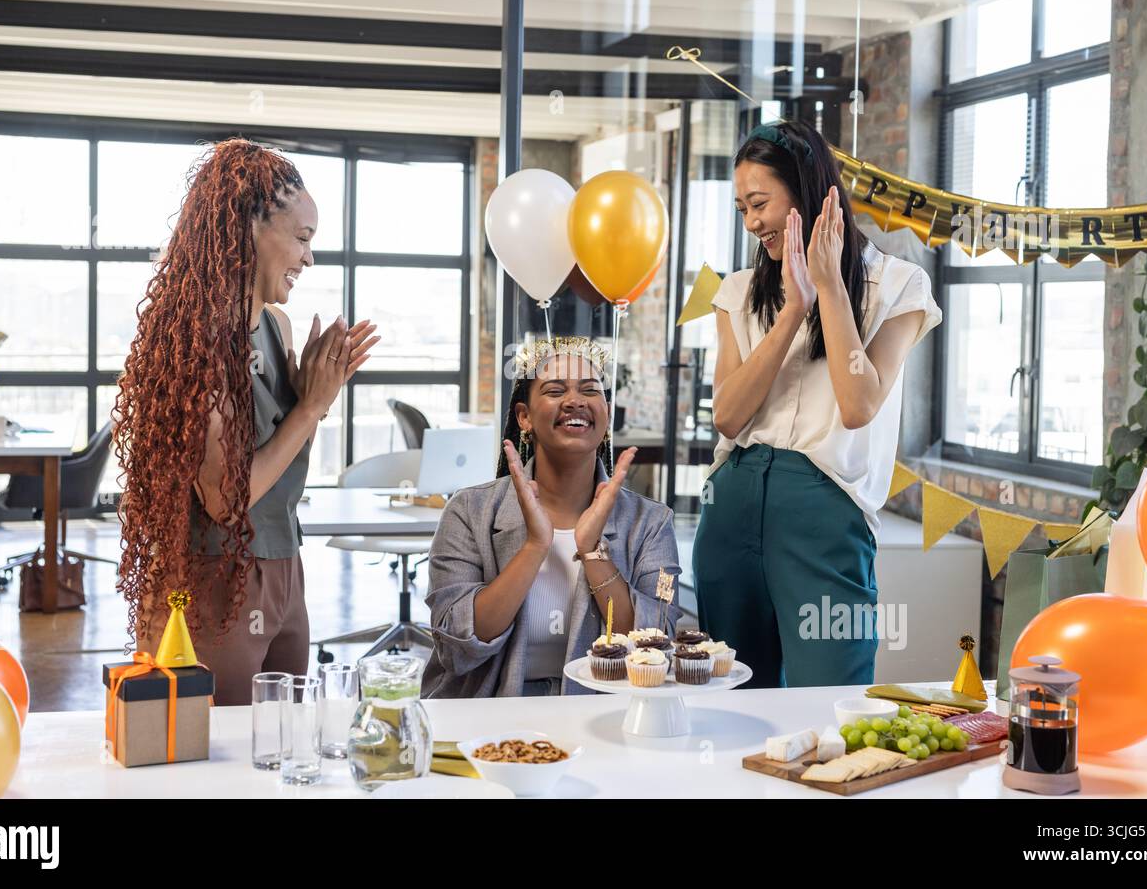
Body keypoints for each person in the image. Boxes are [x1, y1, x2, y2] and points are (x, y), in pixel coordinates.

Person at [114, 138, 378, 704]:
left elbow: (281, 447)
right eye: (303, 239)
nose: (310, 258)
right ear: (247, 228)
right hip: (215, 580)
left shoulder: (276, 327)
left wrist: (314, 391)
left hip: (284, 565)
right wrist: (312, 406)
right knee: (214, 759)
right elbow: (226, 502)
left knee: (283, 744)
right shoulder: (197, 341)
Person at [693, 118, 941, 690]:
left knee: (831, 701)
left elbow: (858, 405)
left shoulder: (897, 286)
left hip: (825, 510)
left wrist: (828, 288)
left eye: (760, 203)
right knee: (732, 700)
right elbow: (728, 416)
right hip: (732, 503)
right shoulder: (736, 292)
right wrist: (791, 310)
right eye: (742, 210)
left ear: (806, 192)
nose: (753, 222)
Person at [422, 337, 681, 698]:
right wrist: (535, 545)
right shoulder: (469, 512)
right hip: (487, 719)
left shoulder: (652, 523)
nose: (575, 401)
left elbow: (656, 644)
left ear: (606, 413)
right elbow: (456, 647)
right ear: (524, 417)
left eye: (591, 390)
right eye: (556, 390)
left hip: (602, 719)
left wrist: (592, 551)